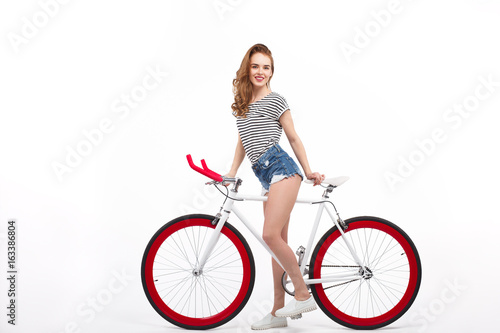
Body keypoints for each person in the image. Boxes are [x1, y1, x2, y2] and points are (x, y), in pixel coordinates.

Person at [224, 43, 325, 330]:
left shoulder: (276, 100)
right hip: (266, 176)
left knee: (269, 235)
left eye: (265, 67)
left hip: (283, 169)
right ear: (248, 69)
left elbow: (293, 138)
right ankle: (278, 311)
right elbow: (244, 141)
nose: (260, 71)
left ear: (271, 72)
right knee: (276, 244)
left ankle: (303, 293)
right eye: (255, 66)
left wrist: (307, 171)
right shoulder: (243, 107)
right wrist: (231, 171)